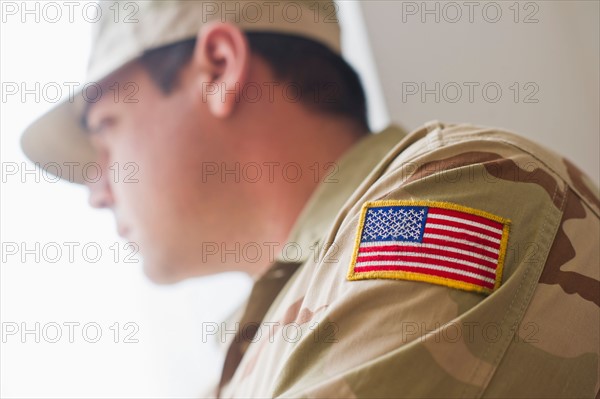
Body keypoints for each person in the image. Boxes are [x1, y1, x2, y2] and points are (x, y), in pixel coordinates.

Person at [21, 1, 599, 397]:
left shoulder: (459, 192)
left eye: (106, 126)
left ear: (219, 68)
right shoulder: (255, 343)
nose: (96, 191)